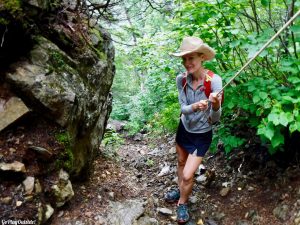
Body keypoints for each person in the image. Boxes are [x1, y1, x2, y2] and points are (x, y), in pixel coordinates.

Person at [165, 36, 223, 223]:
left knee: (189, 174)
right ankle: (181, 188)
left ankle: (182, 202)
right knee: (181, 162)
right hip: (184, 128)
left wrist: (215, 105)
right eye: (184, 59)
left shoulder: (214, 81)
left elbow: (215, 119)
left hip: (202, 134)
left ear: (202, 57)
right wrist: (195, 106)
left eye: (191, 58)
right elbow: (183, 108)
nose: (187, 63)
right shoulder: (181, 80)